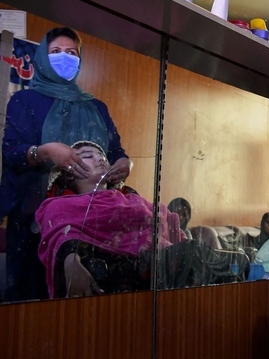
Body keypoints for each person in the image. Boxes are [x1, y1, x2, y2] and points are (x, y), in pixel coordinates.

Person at [0, 27, 132, 301]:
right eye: (56, 52)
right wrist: (45, 151)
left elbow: (116, 150)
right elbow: (12, 153)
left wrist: (124, 163)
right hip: (34, 221)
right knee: (32, 304)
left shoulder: (97, 107)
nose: (64, 58)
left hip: (93, 221)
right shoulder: (24, 101)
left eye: (71, 53)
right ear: (43, 58)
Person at [36, 141, 246, 298]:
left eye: (103, 156)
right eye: (88, 155)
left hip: (157, 267)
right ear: (69, 173)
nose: (101, 159)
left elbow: (168, 224)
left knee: (236, 262)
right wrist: (71, 260)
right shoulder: (59, 205)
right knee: (194, 254)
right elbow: (60, 238)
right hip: (117, 276)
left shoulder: (132, 201)